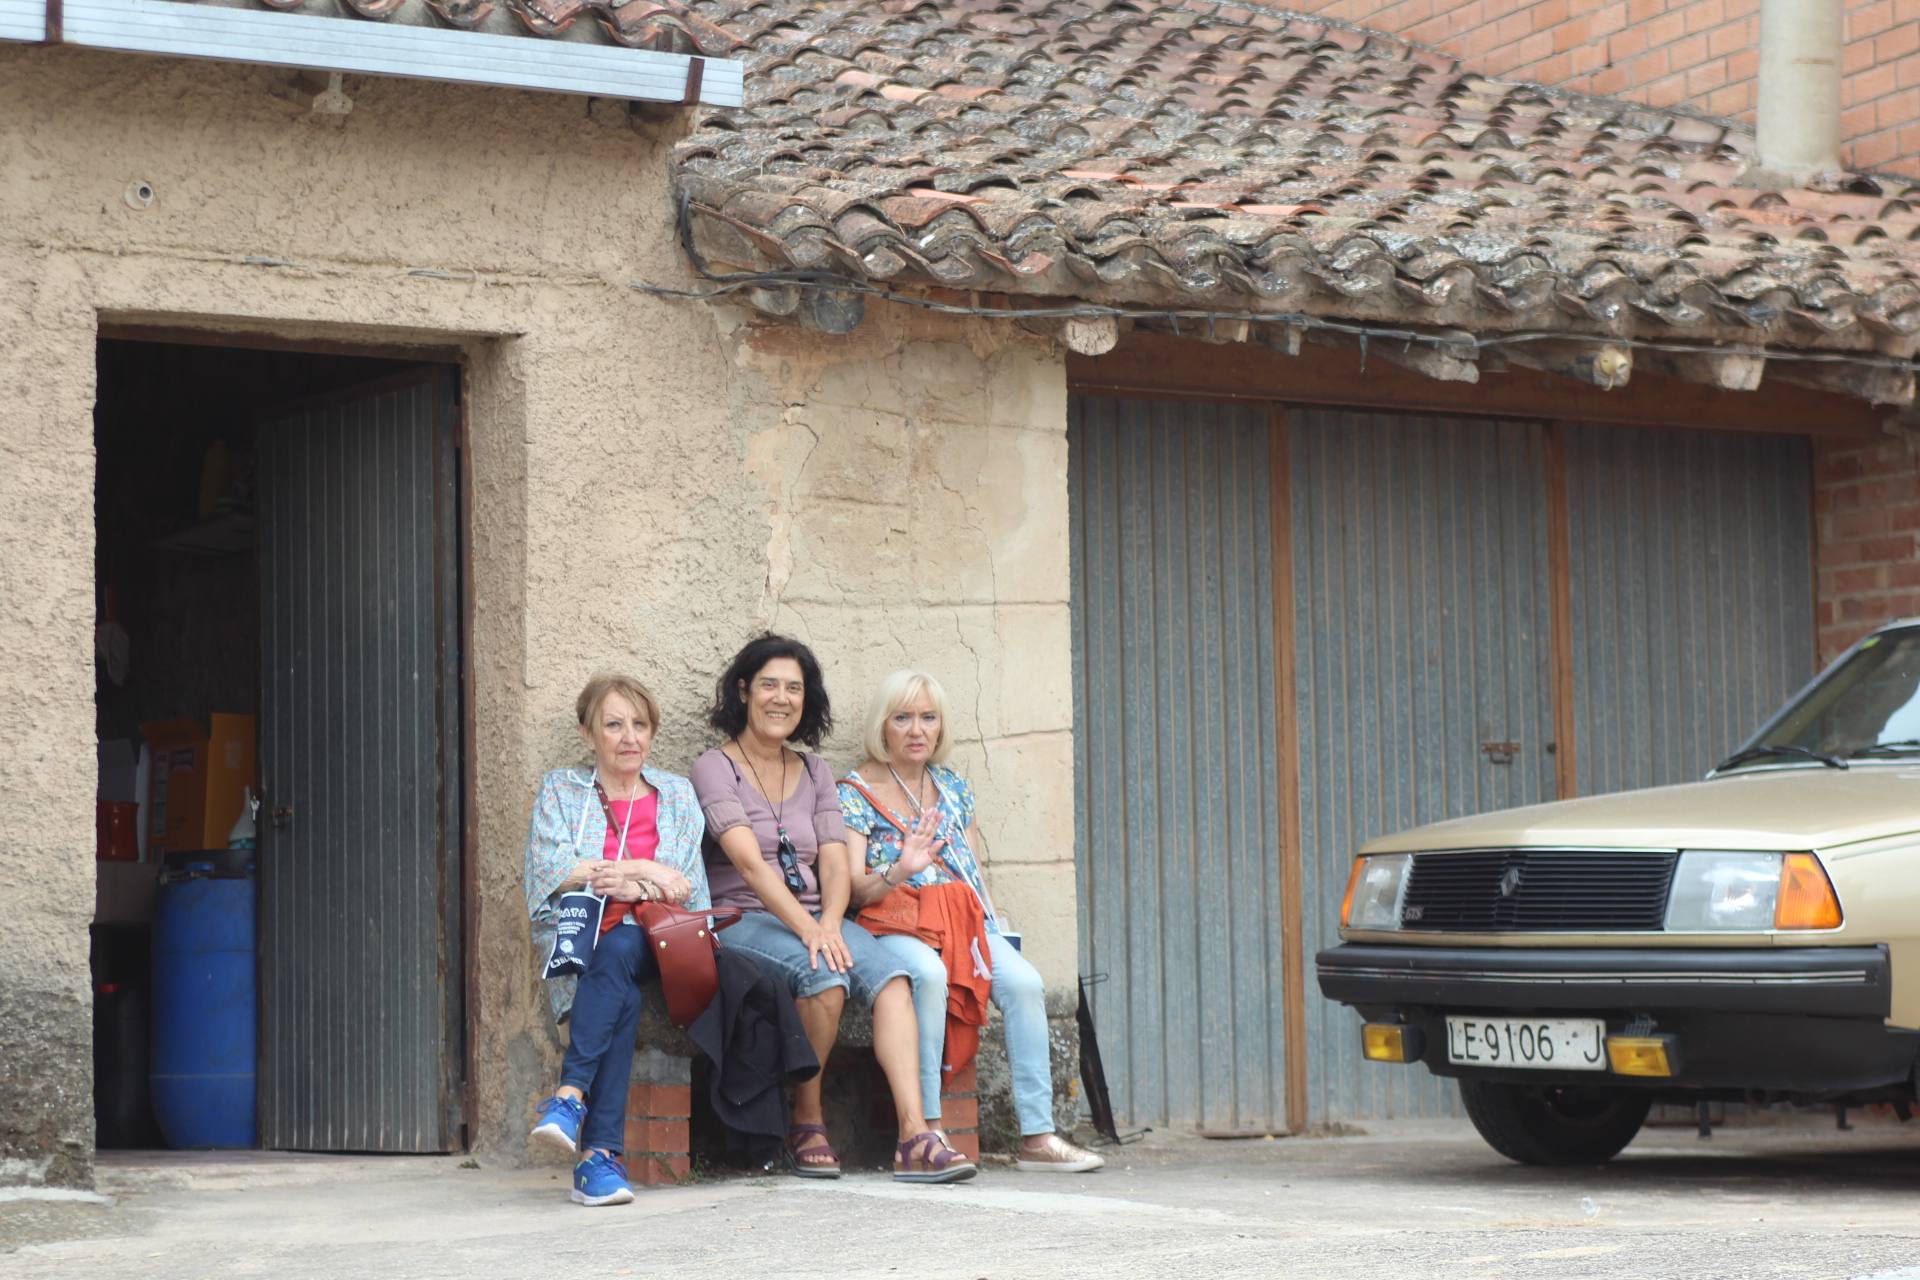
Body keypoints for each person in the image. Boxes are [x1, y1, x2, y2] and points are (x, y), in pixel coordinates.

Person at [691, 635, 974, 1184]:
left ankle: (915, 1136)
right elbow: (749, 865)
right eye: (769, 685)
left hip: (819, 920)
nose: (781, 698)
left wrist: (827, 921)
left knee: (892, 977)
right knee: (825, 977)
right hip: (743, 917)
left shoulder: (816, 772)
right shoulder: (715, 767)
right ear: (744, 691)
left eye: (794, 688)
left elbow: (835, 861)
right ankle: (807, 1121)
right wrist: (810, 930)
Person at [840, 669, 1105, 1173]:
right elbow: (854, 889)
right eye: (903, 718)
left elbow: (974, 870)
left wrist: (991, 924)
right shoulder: (855, 790)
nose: (916, 730)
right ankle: (928, 1129)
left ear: (940, 728)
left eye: (928, 718)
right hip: (896, 923)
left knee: (1025, 982)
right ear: (883, 725)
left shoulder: (954, 787)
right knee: (930, 976)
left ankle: (1038, 1137)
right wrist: (900, 870)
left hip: (961, 920)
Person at [523, 674, 711, 1206]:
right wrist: (638, 875)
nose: (629, 737)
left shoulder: (674, 793)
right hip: (583, 937)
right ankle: (597, 1161)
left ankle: (569, 1095)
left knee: (624, 947)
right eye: (613, 725)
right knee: (619, 985)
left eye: (640, 724)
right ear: (589, 734)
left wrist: (637, 874)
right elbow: (548, 869)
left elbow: (683, 885)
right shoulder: (562, 789)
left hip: (660, 940)